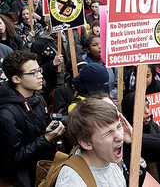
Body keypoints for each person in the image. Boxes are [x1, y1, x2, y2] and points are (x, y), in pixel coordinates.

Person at [0, 50, 65, 186]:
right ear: (16, 79)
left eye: (39, 70)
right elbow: (11, 160)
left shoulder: (37, 96)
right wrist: (46, 139)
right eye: (33, 73)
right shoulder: (6, 115)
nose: (40, 76)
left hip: (41, 171)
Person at [122, 65, 160, 187]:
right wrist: (134, 137)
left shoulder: (152, 125)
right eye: (140, 109)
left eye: (148, 106)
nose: (147, 112)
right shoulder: (124, 141)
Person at [55, 98, 127, 186]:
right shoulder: (72, 181)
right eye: (108, 133)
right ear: (86, 143)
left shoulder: (112, 159)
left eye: (119, 126)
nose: (120, 137)